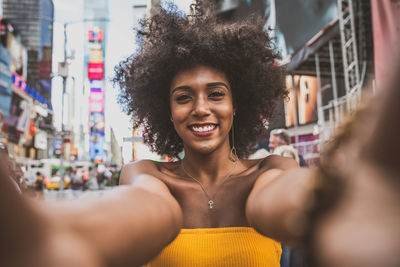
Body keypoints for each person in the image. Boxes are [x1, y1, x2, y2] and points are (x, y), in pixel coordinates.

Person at [1, 1, 400, 266]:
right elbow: (145, 210)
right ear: (165, 112)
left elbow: (284, 198)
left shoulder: (272, 170)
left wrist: (337, 206)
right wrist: (55, 236)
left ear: (236, 103)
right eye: (183, 97)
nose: (202, 108)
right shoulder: (146, 176)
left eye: (216, 94)